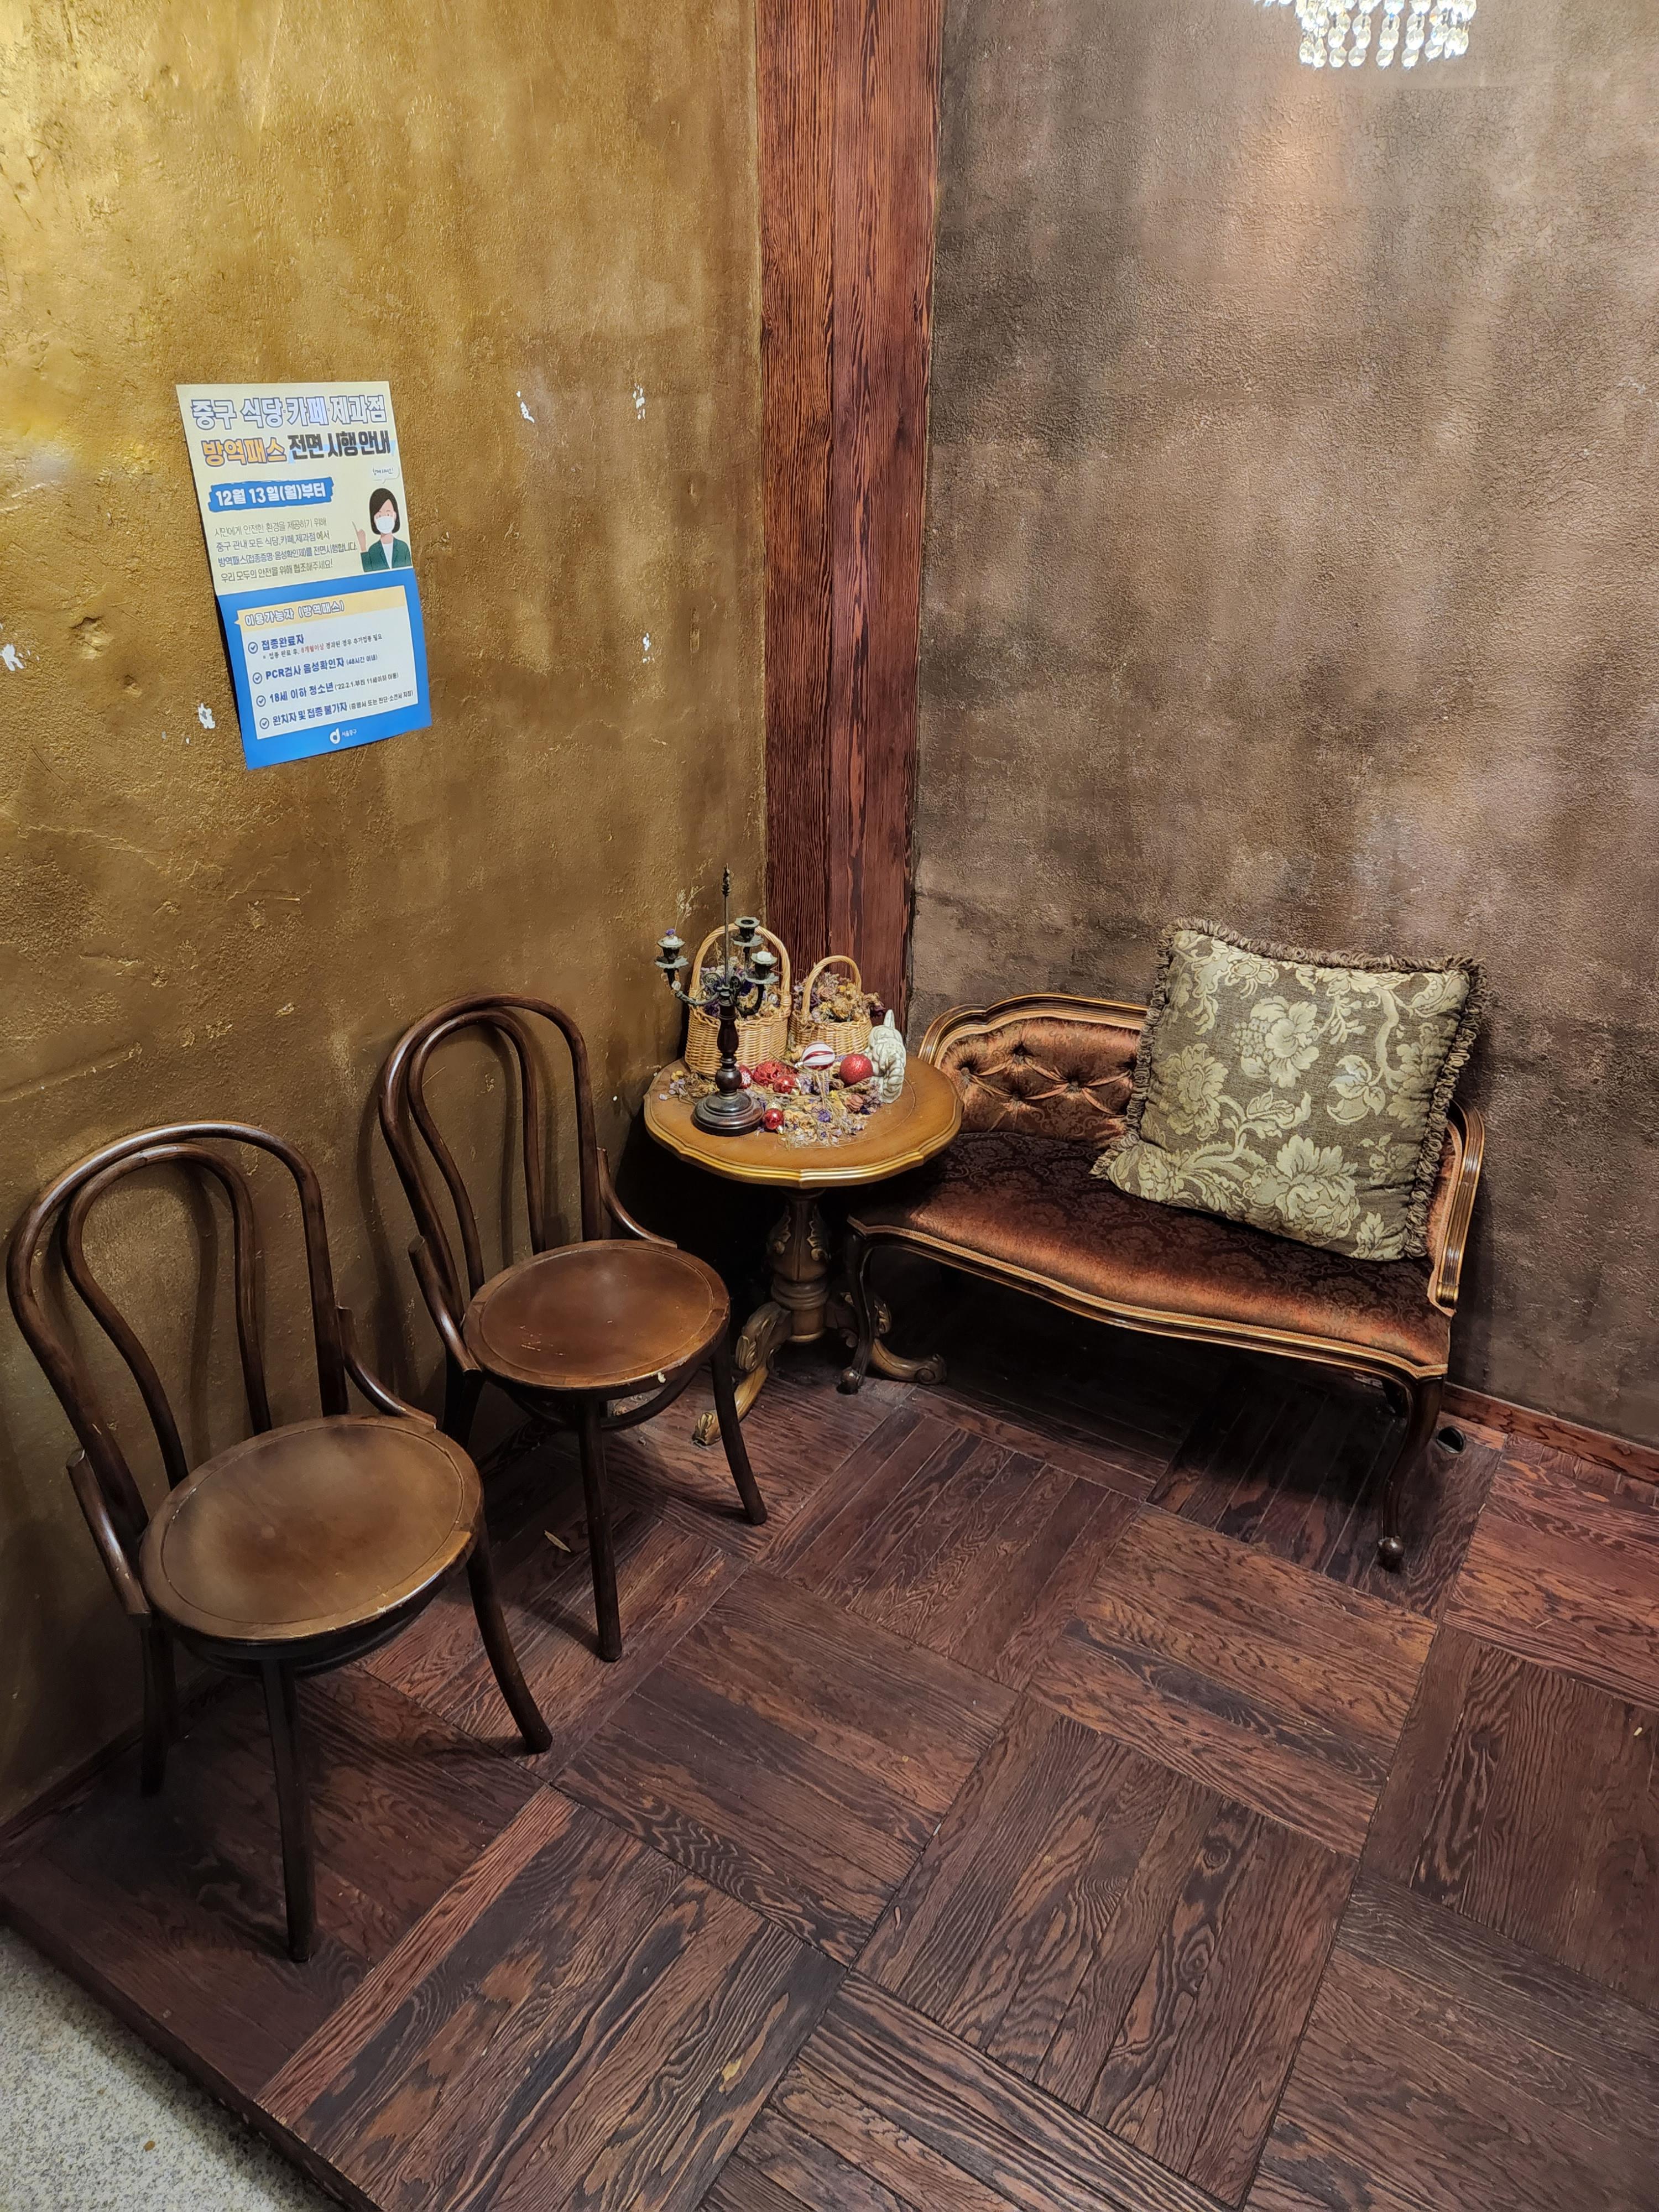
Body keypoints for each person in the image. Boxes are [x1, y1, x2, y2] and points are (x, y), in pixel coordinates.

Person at [357, 487, 412, 570]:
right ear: (374, 520)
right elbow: (368, 572)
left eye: (388, 514)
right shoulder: (373, 550)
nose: (384, 519)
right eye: (379, 516)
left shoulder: (403, 547)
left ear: (395, 515)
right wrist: (363, 546)